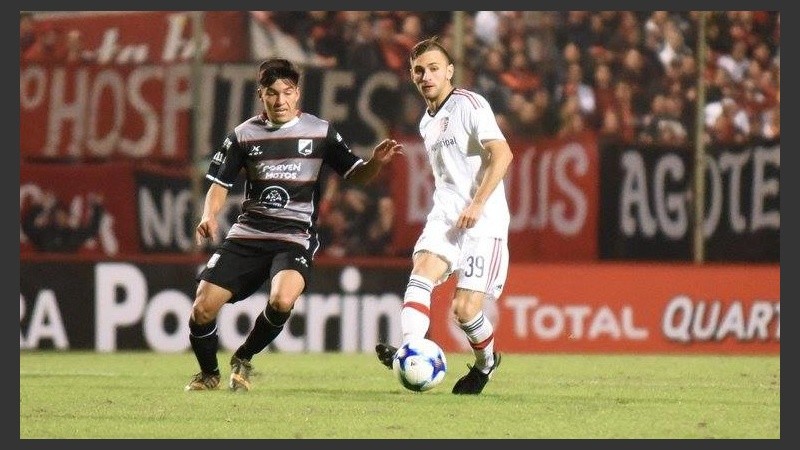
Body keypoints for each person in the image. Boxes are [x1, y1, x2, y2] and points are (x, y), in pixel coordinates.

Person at [185, 57, 403, 391]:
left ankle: (243, 357)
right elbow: (219, 184)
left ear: (297, 94)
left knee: (283, 299)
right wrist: (208, 215)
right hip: (248, 234)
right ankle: (209, 374)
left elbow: (356, 174)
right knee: (202, 307)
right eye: (272, 93)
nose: (280, 100)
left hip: (294, 235)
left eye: (287, 92)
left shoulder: (320, 132)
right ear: (261, 95)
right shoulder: (243, 136)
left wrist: (374, 163)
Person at [375, 37, 514, 395]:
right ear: (411, 75)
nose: (426, 76)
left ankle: (486, 364)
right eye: (419, 70)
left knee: (464, 311)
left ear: (449, 71)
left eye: (434, 68)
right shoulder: (426, 122)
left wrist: (478, 203)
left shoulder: (469, 104)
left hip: (485, 220)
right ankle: (409, 350)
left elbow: (503, 154)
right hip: (447, 216)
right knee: (421, 272)